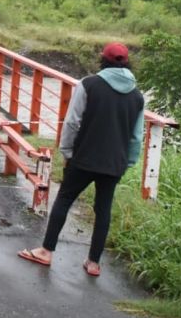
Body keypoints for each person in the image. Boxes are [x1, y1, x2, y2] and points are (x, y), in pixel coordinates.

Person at [18, 42, 144, 277]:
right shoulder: (138, 96)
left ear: (102, 59)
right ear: (127, 63)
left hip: (84, 157)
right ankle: (94, 263)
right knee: (103, 209)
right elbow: (137, 137)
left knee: (65, 198)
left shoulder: (89, 84)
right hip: (114, 163)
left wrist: (66, 151)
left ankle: (46, 251)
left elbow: (73, 122)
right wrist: (127, 162)